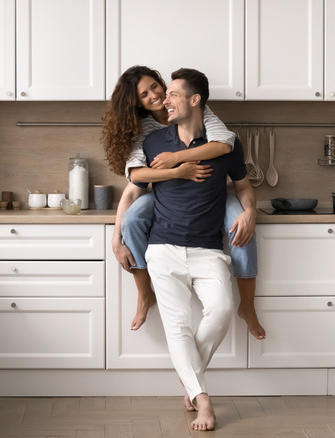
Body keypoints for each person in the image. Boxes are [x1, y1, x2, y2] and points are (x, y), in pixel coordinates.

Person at [100, 66, 266, 339]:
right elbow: (135, 179)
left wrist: (178, 158)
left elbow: (224, 144)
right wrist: (115, 239)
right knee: (131, 220)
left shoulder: (195, 107)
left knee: (243, 225)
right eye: (144, 94)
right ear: (136, 103)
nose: (155, 96)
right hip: (165, 193)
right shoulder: (145, 132)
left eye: (156, 86)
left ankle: (247, 306)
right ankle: (144, 293)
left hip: (211, 193)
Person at [136, 68, 256, 431]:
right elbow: (135, 181)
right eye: (164, 94)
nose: (164, 100)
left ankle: (191, 380)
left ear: (194, 100)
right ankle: (204, 401)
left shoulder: (224, 143)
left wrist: (249, 211)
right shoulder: (154, 142)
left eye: (172, 94)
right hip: (163, 248)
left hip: (208, 249)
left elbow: (245, 186)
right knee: (177, 326)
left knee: (222, 309)